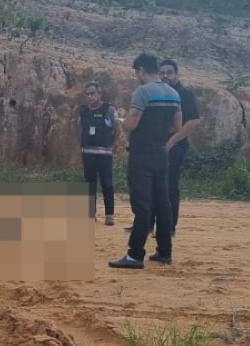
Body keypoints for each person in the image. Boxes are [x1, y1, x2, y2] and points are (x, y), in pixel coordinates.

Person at [109, 53, 180, 270]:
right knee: (163, 203)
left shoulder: (143, 91)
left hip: (141, 154)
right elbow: (177, 126)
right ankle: (165, 251)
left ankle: (135, 254)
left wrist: (121, 121)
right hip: (161, 153)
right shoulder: (173, 93)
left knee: (142, 204)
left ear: (141, 70)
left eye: (136, 73)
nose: (137, 77)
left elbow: (132, 123)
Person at [158, 59, 200, 235]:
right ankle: (148, 224)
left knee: (170, 185)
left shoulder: (185, 95)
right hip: (158, 145)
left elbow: (193, 121)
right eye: (162, 73)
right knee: (154, 184)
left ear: (176, 74)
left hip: (176, 146)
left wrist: (173, 140)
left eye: (169, 72)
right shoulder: (158, 93)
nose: (165, 75)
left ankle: (169, 226)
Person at [77, 81, 119, 225]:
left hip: (104, 154)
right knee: (89, 185)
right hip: (87, 154)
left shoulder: (109, 110)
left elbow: (117, 130)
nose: (89, 96)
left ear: (100, 94)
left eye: (93, 93)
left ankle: (109, 215)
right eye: (87, 94)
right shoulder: (83, 111)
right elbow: (80, 130)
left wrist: (110, 145)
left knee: (107, 184)